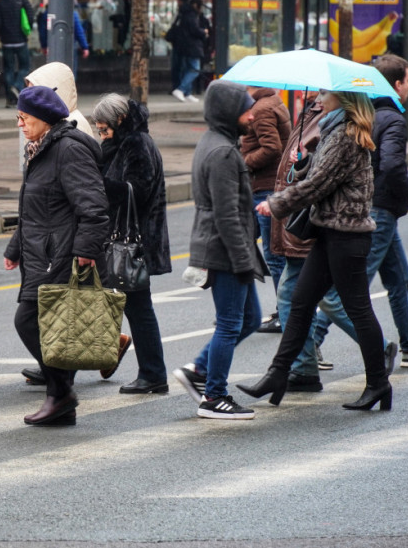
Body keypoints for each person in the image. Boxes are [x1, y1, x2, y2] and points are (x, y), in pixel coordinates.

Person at [237, 89, 391, 412]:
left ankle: (378, 383)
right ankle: (277, 375)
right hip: (330, 233)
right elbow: (324, 175)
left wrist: (275, 203)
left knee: (358, 310)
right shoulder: (334, 129)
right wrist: (305, 161)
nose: (320, 95)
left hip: (346, 236)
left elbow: (318, 185)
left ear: (343, 98)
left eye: (325, 91)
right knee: (301, 301)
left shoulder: (346, 135)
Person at [311, 56, 408, 369]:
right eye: (407, 81)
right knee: (350, 286)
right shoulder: (394, 119)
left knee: (400, 279)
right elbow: (393, 164)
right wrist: (404, 193)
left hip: (380, 210)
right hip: (380, 209)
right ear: (396, 85)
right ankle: (312, 340)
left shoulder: (370, 114)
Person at [4, 86, 109, 426]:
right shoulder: (41, 148)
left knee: (29, 320)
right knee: (51, 327)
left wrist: (85, 249)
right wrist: (14, 247)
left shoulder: (67, 150)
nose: (20, 124)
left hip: (61, 253)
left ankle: (60, 393)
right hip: (42, 250)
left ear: (44, 119)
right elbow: (35, 208)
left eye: (24, 118)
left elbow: (93, 207)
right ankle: (60, 397)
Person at [172, 80, 266, 421]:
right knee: (229, 323)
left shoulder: (216, 142)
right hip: (224, 250)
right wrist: (243, 261)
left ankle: (199, 369)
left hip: (223, 246)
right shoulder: (224, 152)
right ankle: (214, 395)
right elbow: (227, 214)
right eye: (246, 108)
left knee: (251, 318)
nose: (252, 114)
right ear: (229, 112)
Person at [92, 93, 172, 394]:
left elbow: (136, 191)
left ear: (120, 120)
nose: (102, 135)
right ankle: (137, 365)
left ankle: (152, 374)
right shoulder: (123, 143)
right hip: (127, 238)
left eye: (104, 129)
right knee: (131, 306)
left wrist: (98, 182)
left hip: (134, 241)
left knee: (139, 308)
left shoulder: (137, 143)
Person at [240, 86, 291, 333]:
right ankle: (243, 312)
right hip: (264, 186)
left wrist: (243, 162)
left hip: (264, 188)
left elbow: (272, 148)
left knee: (273, 255)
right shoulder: (272, 101)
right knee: (245, 245)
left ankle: (285, 313)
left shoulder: (261, 109)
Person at [0, 0, 35, 108]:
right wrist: (25, 32)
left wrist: (3, 34)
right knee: (25, 67)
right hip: (21, 41)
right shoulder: (22, 1)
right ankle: (16, 86)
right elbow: (30, 17)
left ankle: (10, 97)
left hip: (6, 42)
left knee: (8, 69)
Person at [168, 0, 206, 103]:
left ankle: (187, 93)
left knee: (187, 69)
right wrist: (203, 32)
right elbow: (194, 30)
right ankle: (181, 89)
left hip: (184, 46)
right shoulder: (191, 14)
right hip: (192, 46)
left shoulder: (183, 13)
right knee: (195, 69)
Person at [36, 3, 90, 76]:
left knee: (54, 70)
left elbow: (43, 32)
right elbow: (79, 31)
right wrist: (84, 47)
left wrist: (44, 46)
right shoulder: (72, 13)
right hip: (70, 47)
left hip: (53, 47)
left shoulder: (48, 14)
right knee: (70, 71)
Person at [166, 0, 190, 93]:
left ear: (180, 1)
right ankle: (182, 88)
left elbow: (175, 27)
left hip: (178, 44)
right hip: (185, 44)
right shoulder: (189, 12)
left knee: (177, 67)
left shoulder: (181, 13)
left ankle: (178, 87)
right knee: (183, 67)